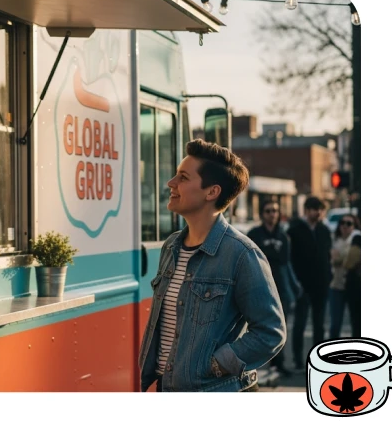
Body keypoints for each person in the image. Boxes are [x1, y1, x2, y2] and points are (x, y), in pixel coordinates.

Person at [138, 139, 286, 392]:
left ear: (211, 192)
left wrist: (216, 364)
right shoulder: (171, 246)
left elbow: (271, 332)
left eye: (183, 177)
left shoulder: (241, 254)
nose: (170, 183)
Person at [247, 199, 301, 376]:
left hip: (280, 288)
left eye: (275, 211)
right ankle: (260, 365)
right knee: (259, 328)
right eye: (269, 211)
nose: (272, 214)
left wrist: (294, 286)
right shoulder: (254, 234)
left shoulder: (283, 236)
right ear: (262, 214)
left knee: (279, 327)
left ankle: (279, 364)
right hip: (258, 288)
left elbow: (287, 262)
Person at [287, 196, 332, 369]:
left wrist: (328, 277)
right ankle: (298, 361)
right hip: (302, 285)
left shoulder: (324, 230)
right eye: (315, 209)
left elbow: (326, 256)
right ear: (306, 210)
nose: (318, 212)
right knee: (300, 323)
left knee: (319, 325)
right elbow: (290, 259)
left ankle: (318, 360)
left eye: (321, 209)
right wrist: (295, 283)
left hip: (321, 285)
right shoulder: (295, 231)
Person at [327, 214, 360, 339]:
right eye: (343, 223)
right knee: (335, 324)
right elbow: (334, 259)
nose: (345, 226)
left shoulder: (357, 240)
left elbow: (347, 261)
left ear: (354, 226)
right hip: (336, 286)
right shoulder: (335, 241)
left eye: (349, 223)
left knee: (356, 323)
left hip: (354, 287)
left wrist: (341, 257)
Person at [343, 230, 361, 337]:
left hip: (353, 287)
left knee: (355, 320)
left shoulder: (354, 250)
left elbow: (347, 264)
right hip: (355, 287)